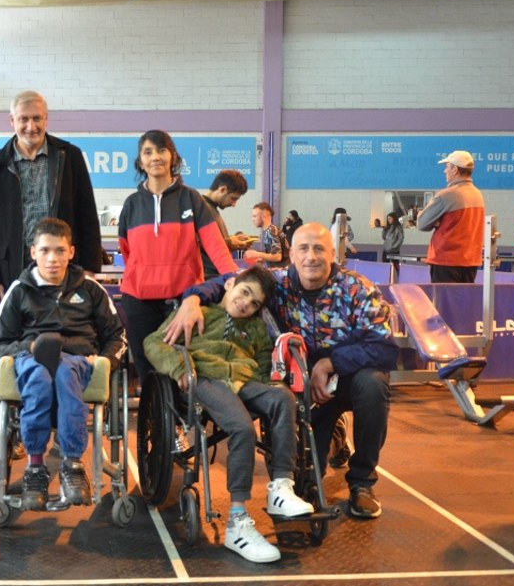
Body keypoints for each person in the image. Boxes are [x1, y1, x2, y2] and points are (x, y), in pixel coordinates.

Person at [164, 223, 397, 520]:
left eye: (319, 249)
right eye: (303, 249)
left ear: (333, 254)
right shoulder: (278, 283)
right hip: (301, 380)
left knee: (374, 383)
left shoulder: (358, 289)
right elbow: (229, 283)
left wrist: (330, 363)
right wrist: (192, 299)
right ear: (292, 255)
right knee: (308, 482)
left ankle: (362, 482)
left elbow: (385, 349)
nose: (311, 257)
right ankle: (332, 438)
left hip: (349, 378)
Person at [144, 265, 314, 563]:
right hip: (204, 378)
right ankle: (237, 523)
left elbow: (264, 365)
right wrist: (179, 367)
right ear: (229, 284)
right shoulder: (198, 313)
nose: (246, 303)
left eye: (254, 303)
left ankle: (281, 486)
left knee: (283, 398)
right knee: (243, 428)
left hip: (244, 381)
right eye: (244, 292)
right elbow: (153, 343)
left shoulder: (256, 328)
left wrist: (274, 384)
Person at [0, 218, 127, 510]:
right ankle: (35, 468)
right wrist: (30, 347)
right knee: (39, 375)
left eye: (60, 250)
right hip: (33, 358)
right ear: (33, 252)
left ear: (71, 252)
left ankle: (72, 465)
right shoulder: (19, 290)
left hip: (77, 359)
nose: (53, 258)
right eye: (45, 250)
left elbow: (117, 336)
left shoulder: (90, 289)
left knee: (65, 371)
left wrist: (105, 361)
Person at [117, 130, 237, 381]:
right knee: (148, 374)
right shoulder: (131, 204)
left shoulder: (191, 198)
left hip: (183, 301)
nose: (155, 157)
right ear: (141, 162)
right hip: (138, 302)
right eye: (148, 152)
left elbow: (214, 243)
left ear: (172, 157)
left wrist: (231, 277)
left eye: (161, 150)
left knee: (182, 371)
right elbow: (127, 252)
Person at [0, 90, 101, 305]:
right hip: (14, 268)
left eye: (37, 118)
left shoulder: (70, 157)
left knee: (66, 324)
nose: (31, 126)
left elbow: (87, 215)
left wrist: (89, 269)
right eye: (23, 119)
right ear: (12, 121)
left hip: (64, 267)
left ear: (46, 119)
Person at [417, 150, 485, 283]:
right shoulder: (478, 195)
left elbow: (422, 223)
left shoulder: (446, 195)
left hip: (447, 262)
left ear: (455, 170)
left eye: (447, 167)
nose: (445, 171)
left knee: (443, 297)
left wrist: (434, 220)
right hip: (470, 262)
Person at [200, 169, 254, 278]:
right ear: (222, 189)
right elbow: (197, 243)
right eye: (233, 198)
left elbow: (213, 239)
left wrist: (233, 240)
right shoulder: (200, 209)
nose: (234, 204)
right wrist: (230, 243)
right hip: (208, 277)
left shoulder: (211, 210)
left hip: (217, 274)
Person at [243, 201, 288, 268]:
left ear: (264, 216)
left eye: (255, 216)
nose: (252, 219)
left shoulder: (271, 231)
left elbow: (277, 257)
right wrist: (263, 258)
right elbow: (274, 254)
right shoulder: (271, 230)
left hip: (281, 271)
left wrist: (257, 254)